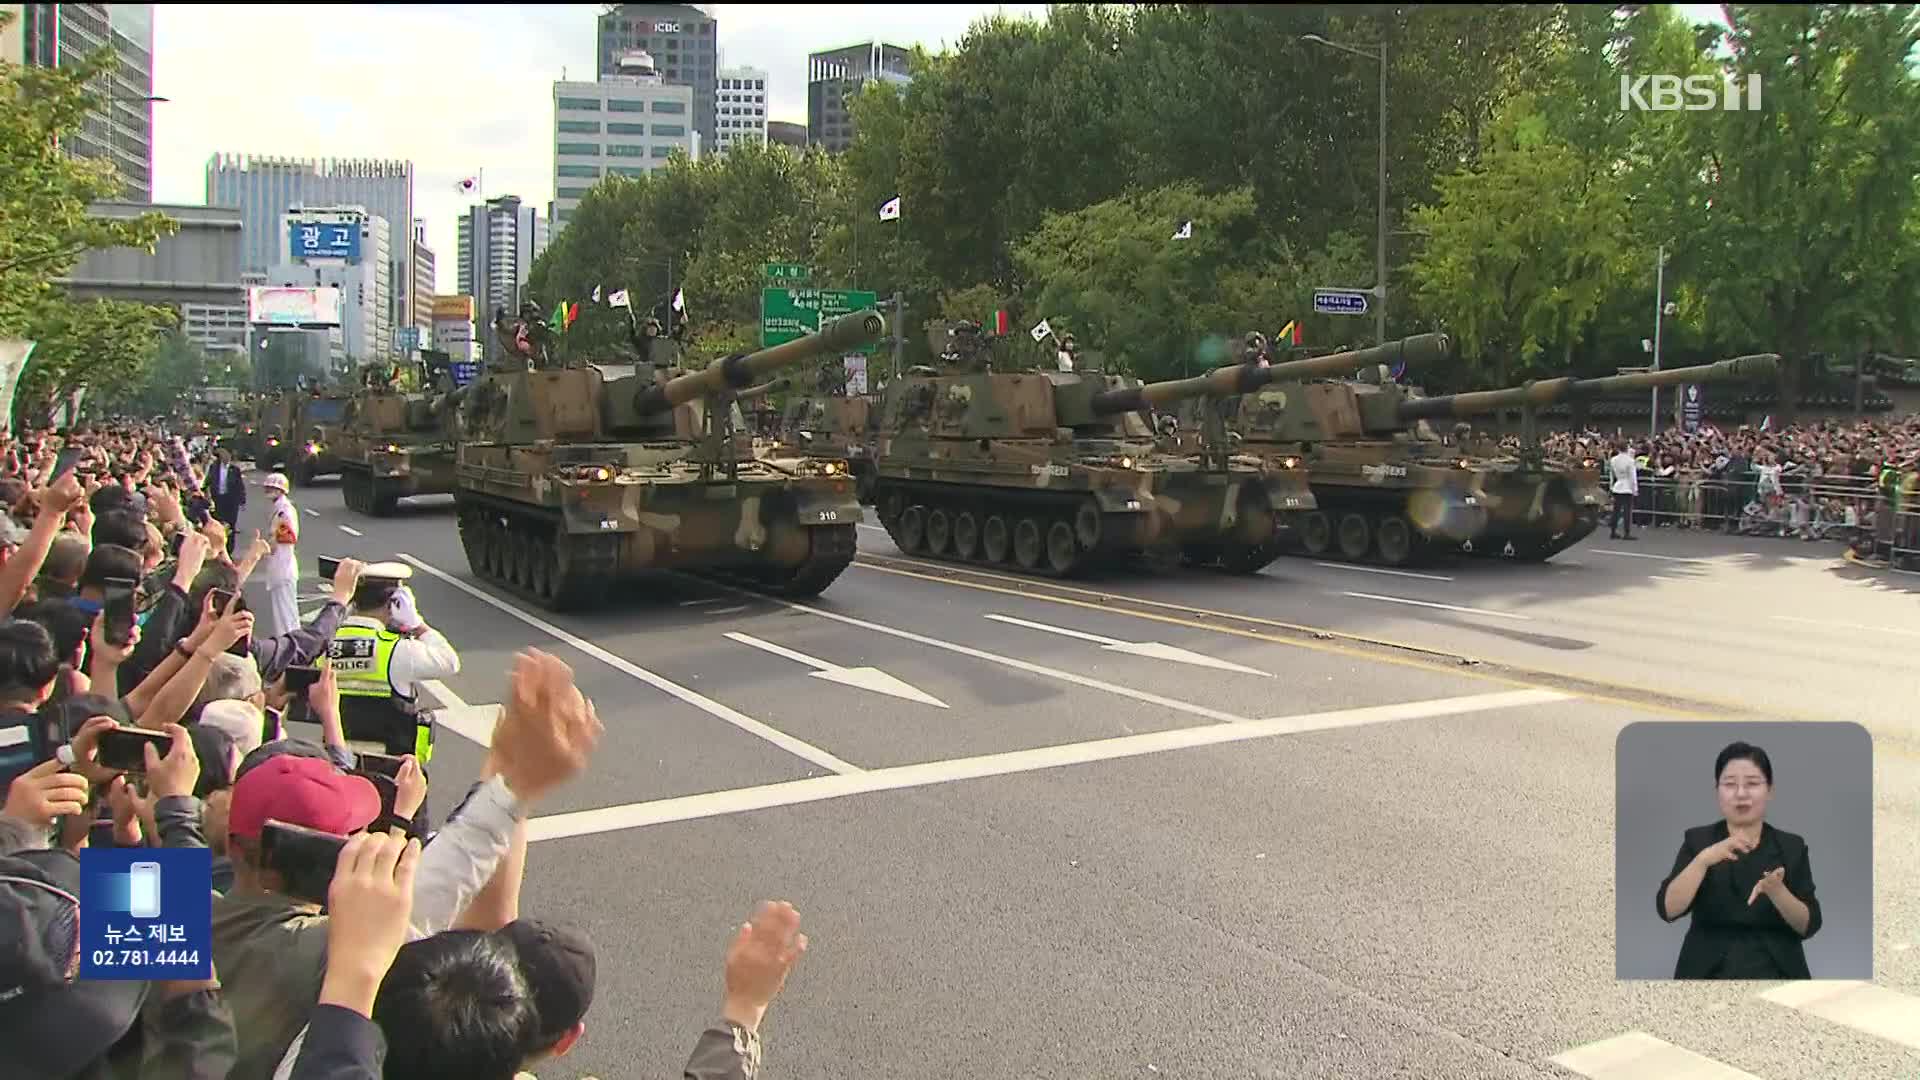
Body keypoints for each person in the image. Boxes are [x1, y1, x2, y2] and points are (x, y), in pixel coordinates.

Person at [1657, 740, 1822, 979]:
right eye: (1730, 784)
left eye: (1753, 783)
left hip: (1776, 969)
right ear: (1717, 791)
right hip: (1707, 969)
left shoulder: (1791, 847)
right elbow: (1667, 909)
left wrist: (1777, 891)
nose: (1741, 793)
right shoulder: (1698, 840)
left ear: (1770, 790)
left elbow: (1809, 925)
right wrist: (1703, 860)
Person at [325, 561, 460, 761]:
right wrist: (417, 624)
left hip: (337, 760)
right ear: (393, 605)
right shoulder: (397, 650)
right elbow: (450, 662)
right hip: (389, 767)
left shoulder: (325, 644)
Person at [259, 471, 299, 638]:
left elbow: (290, 536)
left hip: (283, 564)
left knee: (286, 613)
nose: (268, 492)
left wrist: (270, 543)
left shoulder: (284, 510)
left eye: (272, 488)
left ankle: (290, 644)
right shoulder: (279, 509)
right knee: (282, 610)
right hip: (279, 564)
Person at [208, 447, 247, 554]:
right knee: (218, 523)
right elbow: (209, 481)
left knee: (230, 524)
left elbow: (240, 486)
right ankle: (219, 547)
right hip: (218, 499)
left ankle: (229, 550)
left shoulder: (235, 470)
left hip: (231, 500)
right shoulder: (214, 467)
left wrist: (242, 500)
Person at [1608, 439, 1639, 540]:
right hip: (1627, 487)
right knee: (1627, 511)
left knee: (1616, 510)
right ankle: (1626, 533)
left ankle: (1613, 531)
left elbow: (1611, 475)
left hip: (1617, 486)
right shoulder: (1630, 460)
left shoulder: (1613, 460)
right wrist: (1635, 489)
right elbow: (1632, 477)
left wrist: (1611, 486)